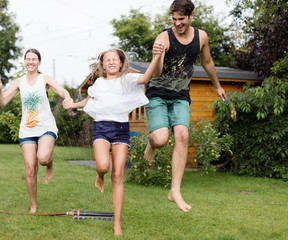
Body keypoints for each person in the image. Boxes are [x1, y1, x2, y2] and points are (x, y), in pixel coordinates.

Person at [64, 48, 164, 235]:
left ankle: (116, 222)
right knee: (103, 166)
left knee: (118, 175)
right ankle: (100, 175)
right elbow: (88, 100)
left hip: (121, 130)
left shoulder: (127, 79)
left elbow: (144, 79)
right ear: (102, 64)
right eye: (107, 60)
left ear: (121, 63)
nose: (110, 62)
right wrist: (73, 105)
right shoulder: (99, 83)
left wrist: (157, 57)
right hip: (101, 128)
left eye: (114, 59)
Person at [144, 0, 227, 213]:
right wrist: (157, 54)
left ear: (192, 15)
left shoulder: (201, 37)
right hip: (158, 93)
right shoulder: (163, 38)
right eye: (174, 20)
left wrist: (217, 86)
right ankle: (151, 144)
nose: (177, 24)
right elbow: (156, 73)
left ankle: (175, 191)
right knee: (161, 139)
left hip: (181, 94)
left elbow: (207, 62)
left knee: (182, 136)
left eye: (181, 19)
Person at [0, 48, 73, 213]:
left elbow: (61, 90)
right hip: (27, 129)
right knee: (30, 168)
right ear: (25, 61)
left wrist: (67, 97)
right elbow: (2, 103)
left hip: (45, 126)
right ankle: (33, 206)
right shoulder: (19, 82)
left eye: (34, 59)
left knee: (42, 158)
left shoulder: (45, 79)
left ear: (39, 62)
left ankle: (49, 162)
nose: (31, 62)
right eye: (28, 59)